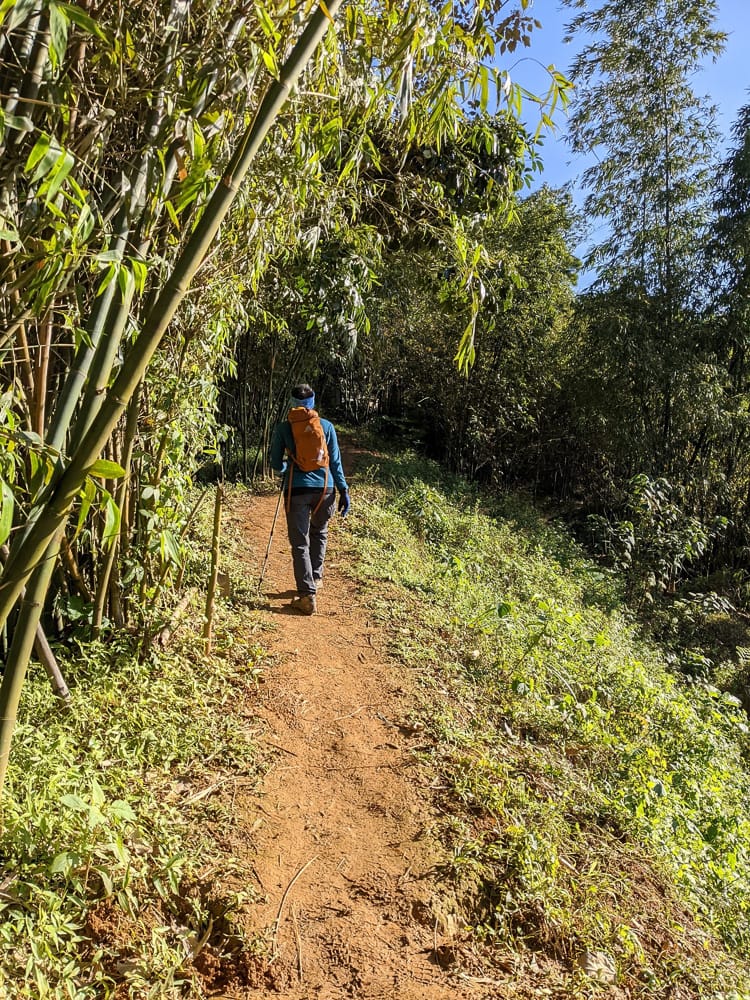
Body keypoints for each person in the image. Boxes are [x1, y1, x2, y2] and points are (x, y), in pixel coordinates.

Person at [269, 383, 350, 615]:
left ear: (292, 404)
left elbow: (276, 463)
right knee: (319, 531)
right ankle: (316, 577)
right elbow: (335, 462)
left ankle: (306, 595)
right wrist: (343, 490)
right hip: (326, 489)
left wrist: (286, 465)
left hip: (298, 490)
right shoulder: (326, 426)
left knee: (300, 542)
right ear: (312, 402)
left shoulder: (284, 428)